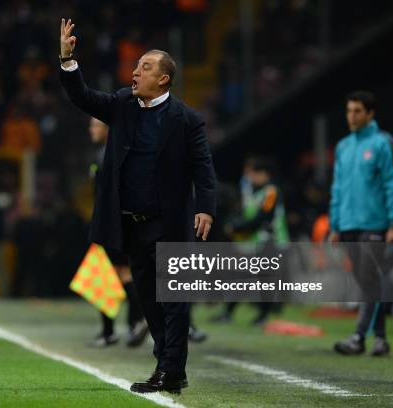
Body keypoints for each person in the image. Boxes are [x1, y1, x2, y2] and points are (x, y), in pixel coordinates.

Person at [59, 19, 217, 393]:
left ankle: (169, 369)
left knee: (174, 301)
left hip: (172, 222)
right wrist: (68, 62)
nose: (135, 72)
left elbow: (204, 168)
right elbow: (84, 98)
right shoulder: (122, 104)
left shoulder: (187, 120)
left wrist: (205, 208)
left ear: (163, 79)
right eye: (136, 66)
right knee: (149, 300)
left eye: (144, 67)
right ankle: (169, 366)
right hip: (133, 224)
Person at [329, 90, 393, 357]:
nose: (352, 116)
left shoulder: (385, 143)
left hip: (376, 223)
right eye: (349, 110)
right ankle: (381, 338)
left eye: (357, 111)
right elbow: (337, 188)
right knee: (367, 282)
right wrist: (335, 225)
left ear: (370, 113)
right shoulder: (343, 147)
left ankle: (358, 336)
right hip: (348, 224)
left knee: (370, 277)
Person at [87, 117, 149, 348]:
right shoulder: (112, 153)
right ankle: (132, 324)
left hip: (111, 225)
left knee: (109, 276)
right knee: (121, 275)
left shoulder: (108, 155)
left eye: (95, 125)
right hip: (119, 223)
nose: (91, 129)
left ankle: (118, 328)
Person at [213, 157, 289, 325]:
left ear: (264, 174)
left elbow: (264, 216)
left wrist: (238, 226)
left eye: (253, 173)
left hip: (272, 241)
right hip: (253, 242)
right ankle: (229, 313)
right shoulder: (251, 192)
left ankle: (263, 316)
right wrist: (234, 224)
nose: (250, 177)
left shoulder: (271, 192)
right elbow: (244, 212)